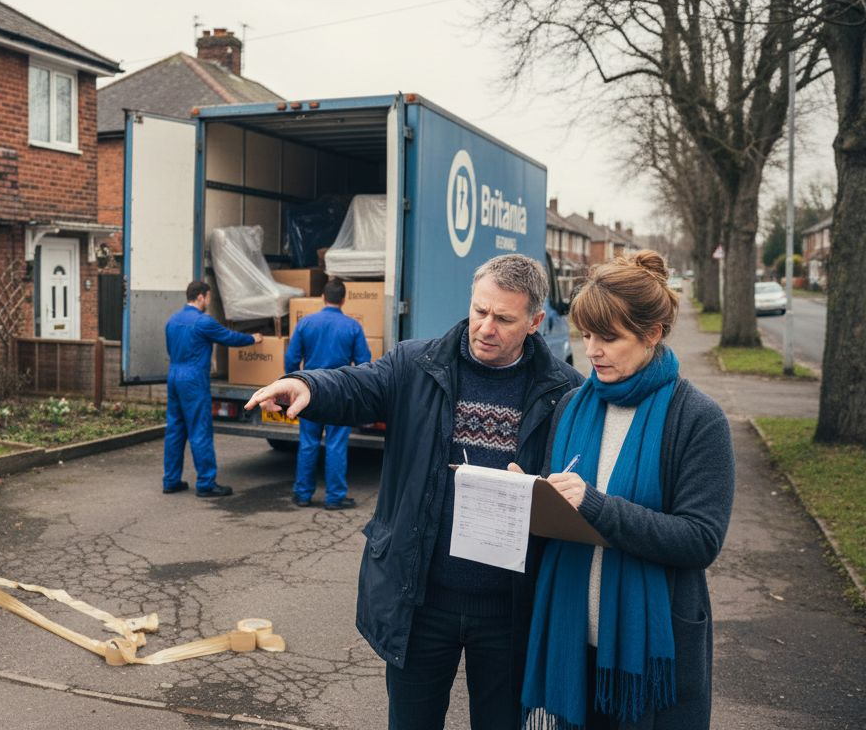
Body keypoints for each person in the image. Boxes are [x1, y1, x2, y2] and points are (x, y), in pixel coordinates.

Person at [246, 254, 583, 730]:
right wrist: (305, 384)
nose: (485, 327)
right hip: (422, 601)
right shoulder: (416, 364)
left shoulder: (565, 392)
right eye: (479, 311)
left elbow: (576, 487)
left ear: (534, 322)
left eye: (504, 319)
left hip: (510, 612)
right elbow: (357, 384)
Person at [519, 250, 734, 730]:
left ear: (651, 335)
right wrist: (523, 498)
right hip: (572, 644)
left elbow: (700, 540)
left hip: (647, 657)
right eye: (587, 335)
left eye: (608, 338)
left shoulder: (698, 419)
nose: (591, 350)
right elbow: (560, 514)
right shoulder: (571, 406)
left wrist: (595, 505)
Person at [163, 279, 262, 498]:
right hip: (193, 379)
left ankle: (171, 480)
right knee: (200, 430)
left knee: (175, 430)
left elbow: (170, 348)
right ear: (200, 297)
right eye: (208, 297)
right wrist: (252, 338)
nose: (208, 301)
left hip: (174, 375)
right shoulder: (203, 322)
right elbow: (229, 337)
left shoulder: (172, 320)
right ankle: (206, 483)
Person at [283, 279, 373, 510]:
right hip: (340, 393)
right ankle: (335, 497)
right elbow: (364, 363)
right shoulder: (352, 326)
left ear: (323, 297)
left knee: (308, 443)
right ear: (344, 300)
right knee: (336, 445)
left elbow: (292, 358)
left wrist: (294, 381)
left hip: (309, 391)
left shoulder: (306, 324)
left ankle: (302, 494)